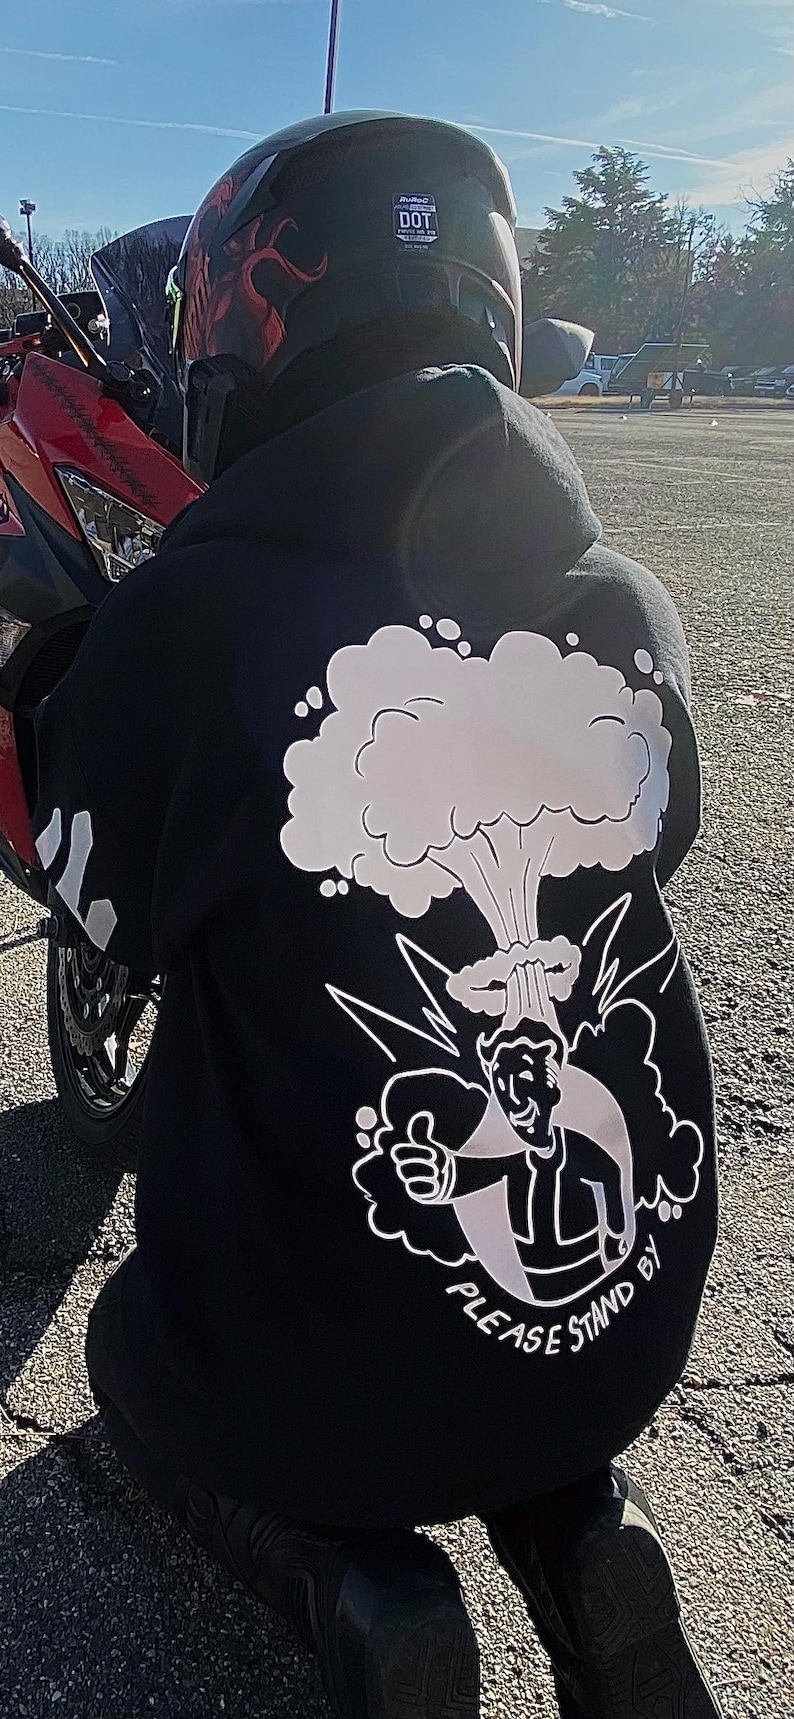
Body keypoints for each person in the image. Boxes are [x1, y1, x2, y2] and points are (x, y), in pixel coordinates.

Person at [32, 112, 723, 1719]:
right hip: (623, 1327)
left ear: (240, 329)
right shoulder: (622, 600)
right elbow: (661, 840)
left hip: (328, 1378)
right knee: (493, 1360)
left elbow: (101, 911)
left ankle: (362, 1591)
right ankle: (580, 1532)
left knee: (129, 1356)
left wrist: (62, 678)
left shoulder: (184, 620)